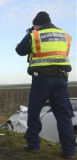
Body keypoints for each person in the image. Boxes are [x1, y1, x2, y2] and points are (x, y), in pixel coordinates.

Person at [15, 11, 74, 158]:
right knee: (64, 116)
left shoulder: (35, 35)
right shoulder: (65, 35)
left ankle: (33, 145)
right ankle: (69, 151)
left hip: (42, 79)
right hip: (61, 79)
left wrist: (30, 33)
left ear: (38, 24)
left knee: (34, 111)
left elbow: (20, 50)